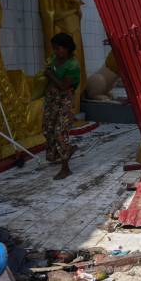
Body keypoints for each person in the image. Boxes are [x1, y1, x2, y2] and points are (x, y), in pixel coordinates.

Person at [43, 33, 81, 180]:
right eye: (54, 49)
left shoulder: (73, 65)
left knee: (60, 131)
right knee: (48, 128)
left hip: (64, 99)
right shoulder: (55, 59)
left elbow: (63, 86)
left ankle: (65, 168)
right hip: (51, 98)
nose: (56, 52)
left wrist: (49, 74)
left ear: (67, 48)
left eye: (58, 49)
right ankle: (65, 151)